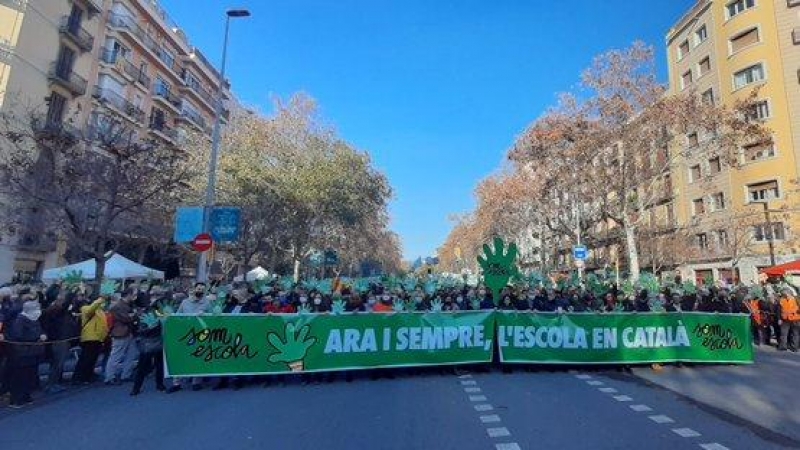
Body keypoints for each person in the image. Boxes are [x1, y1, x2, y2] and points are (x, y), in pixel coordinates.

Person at [168, 283, 210, 393]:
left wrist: (205, 314)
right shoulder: (185, 302)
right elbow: (178, 316)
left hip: (200, 333)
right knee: (181, 357)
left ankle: (196, 381)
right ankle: (176, 382)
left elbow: (213, 317)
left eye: (202, 289)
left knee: (198, 356)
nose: (200, 290)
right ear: (194, 289)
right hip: (185, 333)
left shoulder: (207, 303)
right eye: (198, 288)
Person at [6, 300, 46, 408]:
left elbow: (40, 330)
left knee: (29, 376)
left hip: (32, 352)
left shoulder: (34, 319)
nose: (38, 312)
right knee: (19, 377)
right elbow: (18, 336)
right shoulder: (20, 320)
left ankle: (25, 396)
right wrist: (36, 338)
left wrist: (42, 335)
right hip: (22, 353)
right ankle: (16, 399)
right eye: (36, 310)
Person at [40, 292, 78, 393]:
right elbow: (64, 307)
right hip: (58, 340)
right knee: (57, 364)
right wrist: (70, 296)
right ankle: (51, 384)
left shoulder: (58, 312)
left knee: (58, 364)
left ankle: (55, 383)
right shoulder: (54, 311)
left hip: (62, 339)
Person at [130, 300, 165, 396]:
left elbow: (137, 330)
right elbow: (140, 330)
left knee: (148, 367)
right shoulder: (153, 314)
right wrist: (150, 327)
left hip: (150, 343)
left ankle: (137, 388)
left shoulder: (144, 315)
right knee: (155, 366)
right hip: (153, 342)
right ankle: (158, 385)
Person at [104, 291, 139, 384]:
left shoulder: (126, 305)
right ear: (128, 295)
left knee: (132, 354)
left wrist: (133, 315)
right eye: (133, 295)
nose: (134, 297)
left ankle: (126, 374)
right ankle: (110, 377)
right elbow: (126, 318)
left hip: (128, 332)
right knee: (116, 355)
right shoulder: (118, 306)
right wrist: (134, 315)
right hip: (121, 332)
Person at [72, 297, 108, 384]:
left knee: (92, 359)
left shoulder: (100, 311)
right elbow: (91, 309)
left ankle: (88, 376)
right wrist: (101, 298)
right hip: (89, 337)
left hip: (98, 338)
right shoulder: (85, 309)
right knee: (86, 359)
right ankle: (79, 377)